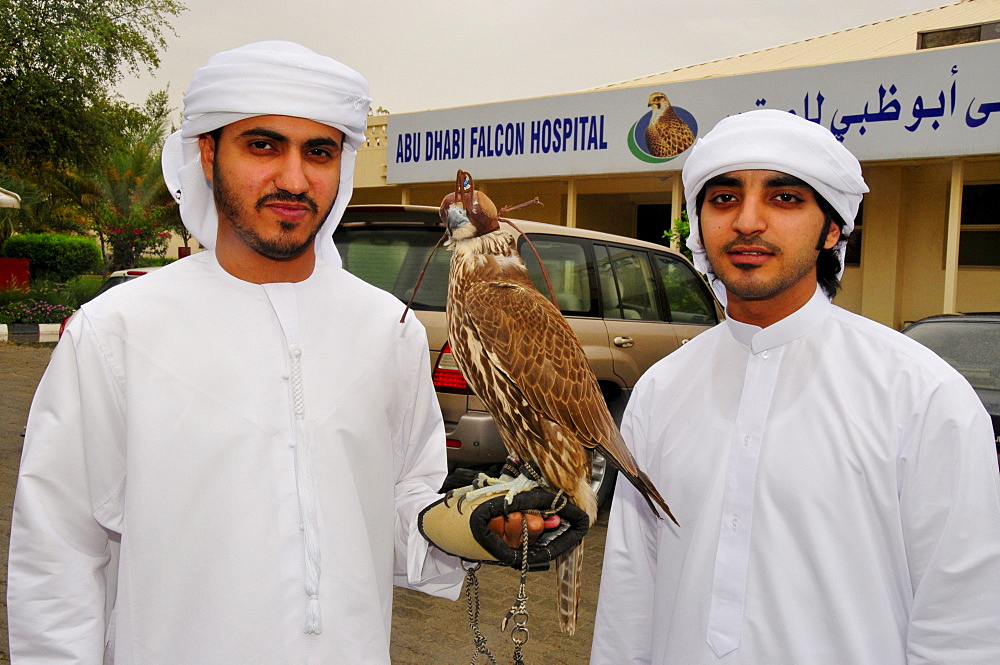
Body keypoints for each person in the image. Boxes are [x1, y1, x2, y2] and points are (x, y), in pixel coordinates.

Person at [8, 41, 479, 664]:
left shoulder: (387, 329)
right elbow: (58, 553)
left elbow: (396, 512)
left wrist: (474, 527)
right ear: (207, 153)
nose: (293, 178)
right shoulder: (118, 331)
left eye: (319, 151)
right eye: (263, 145)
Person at [590, 109, 1000, 664]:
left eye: (784, 199)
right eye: (724, 198)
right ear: (699, 221)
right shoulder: (662, 389)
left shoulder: (921, 395)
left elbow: (962, 622)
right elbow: (630, 590)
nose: (747, 222)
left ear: (833, 228)